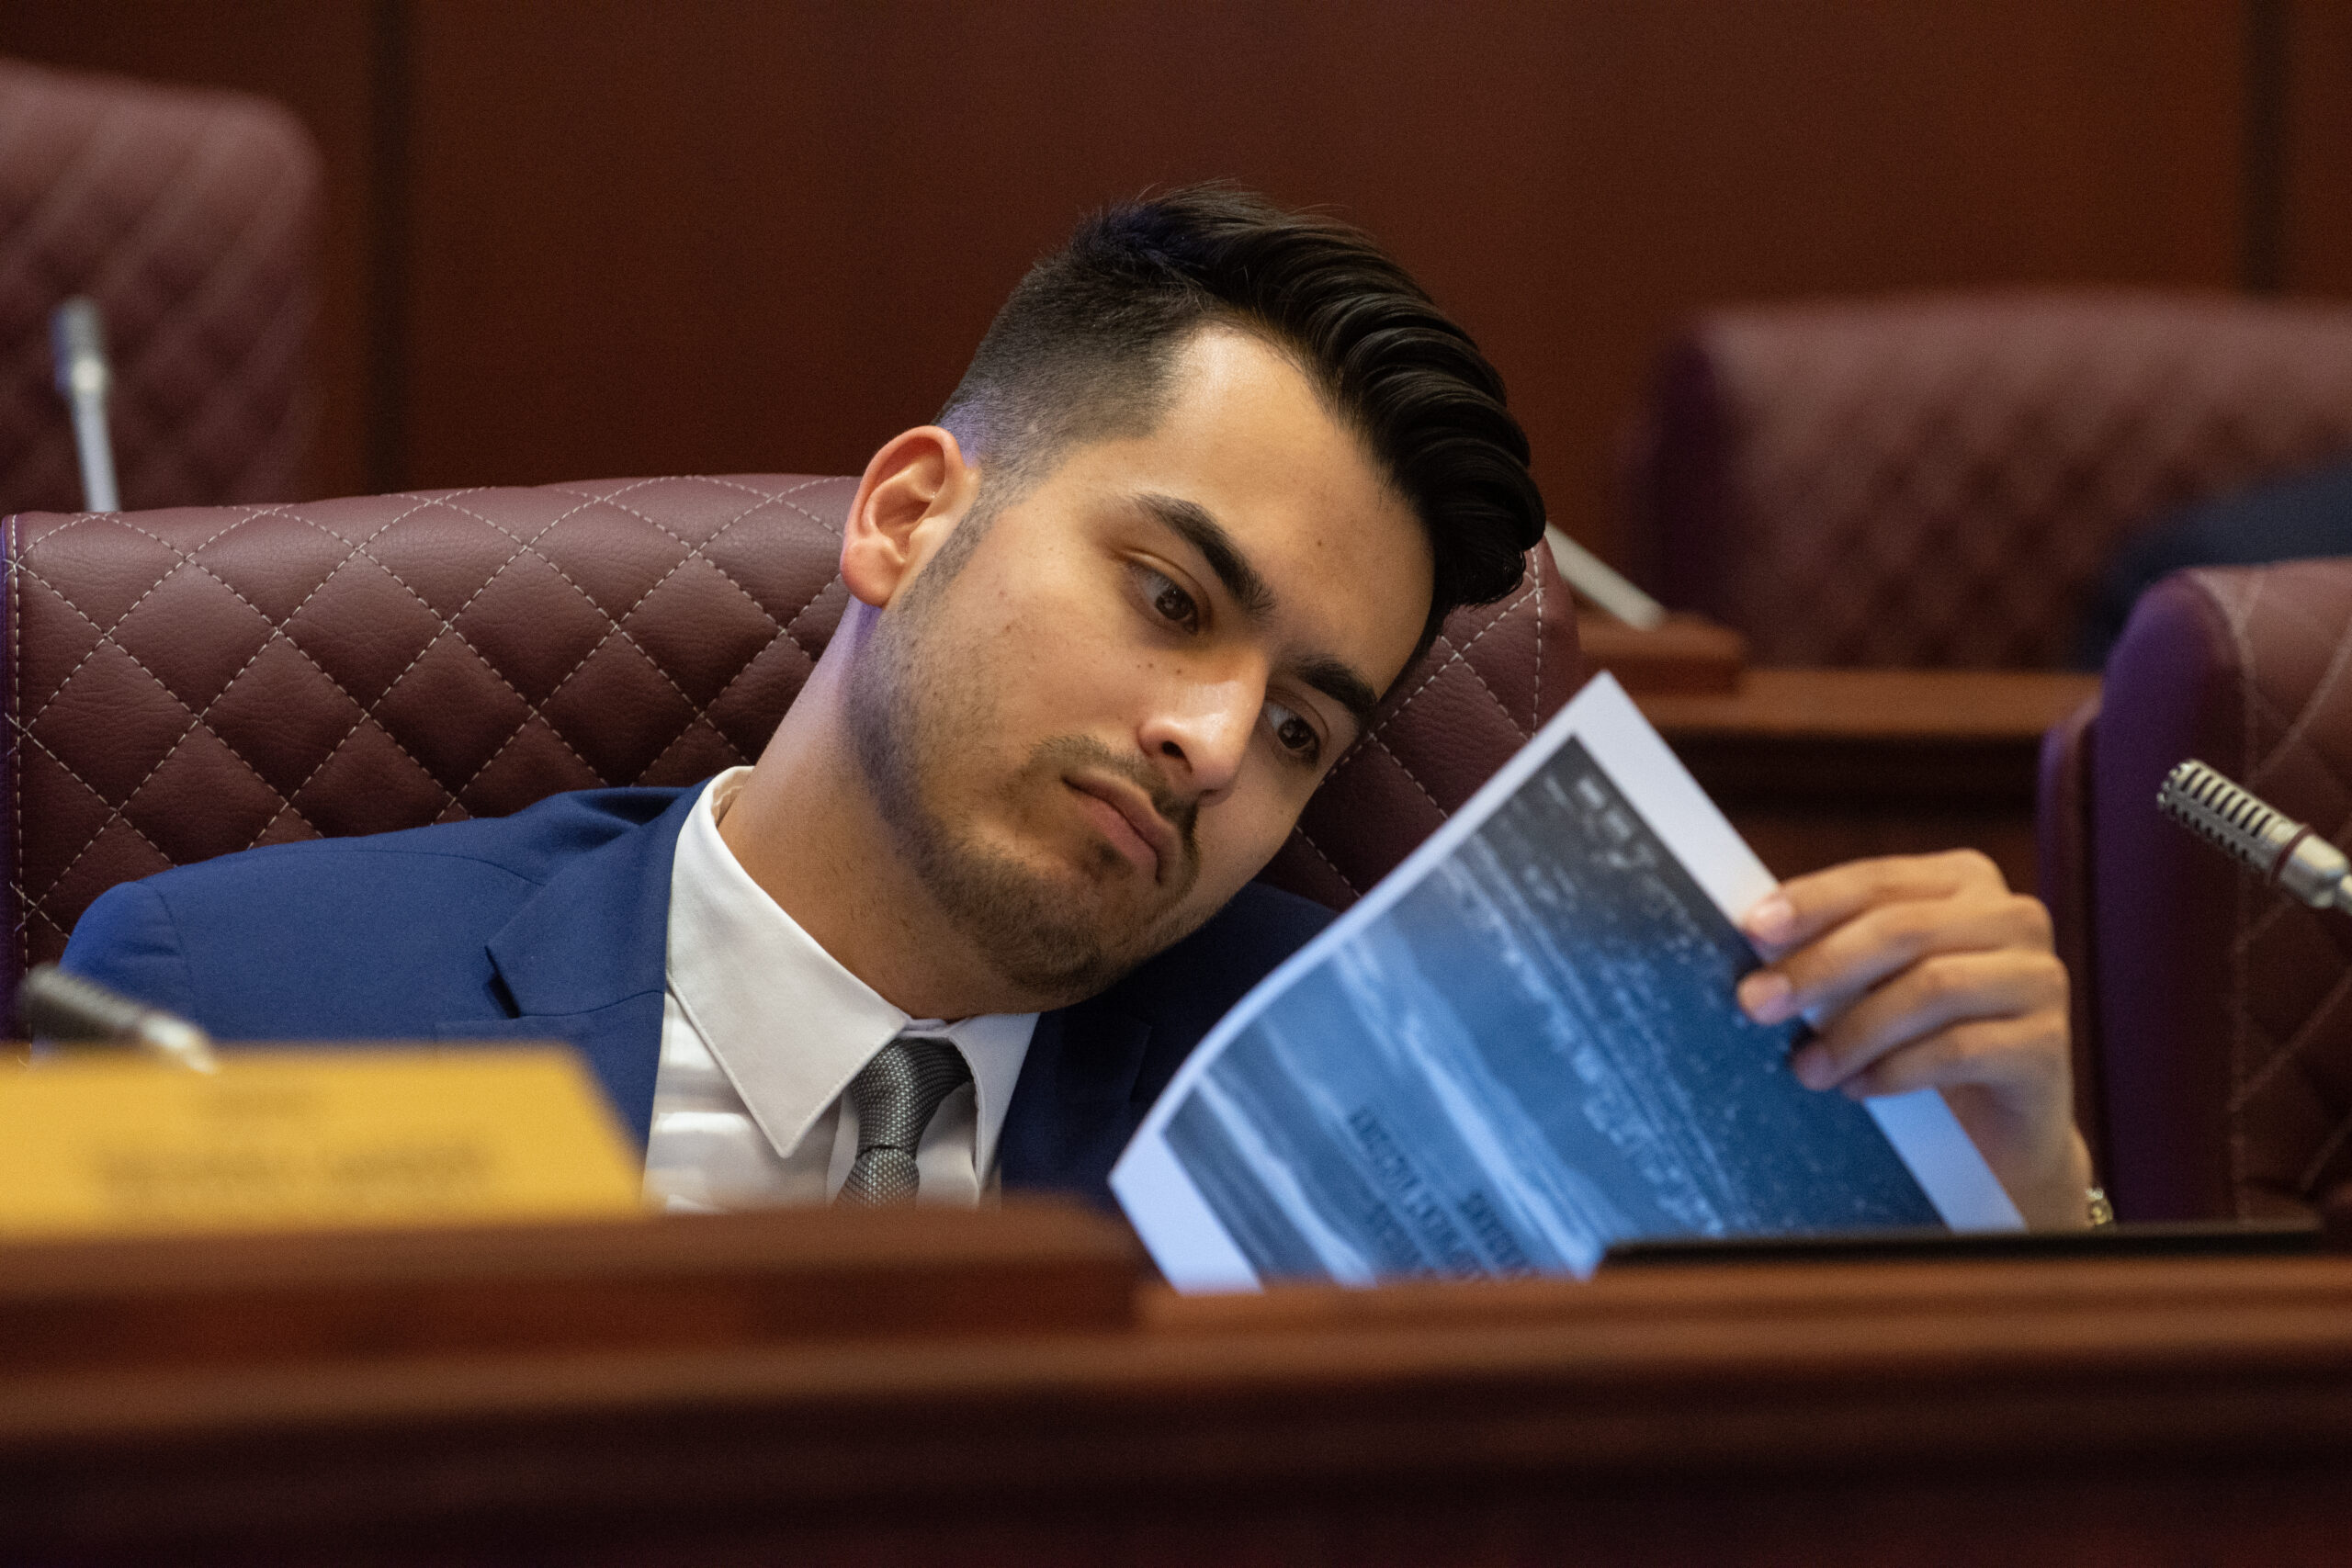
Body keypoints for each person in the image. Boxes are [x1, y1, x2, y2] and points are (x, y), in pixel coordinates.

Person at [62, 187, 2094, 1230]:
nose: (1214, 743)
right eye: (1167, 596)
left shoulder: (1387, 1114)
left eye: (1304, 724)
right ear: (907, 514)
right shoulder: (233, 1007)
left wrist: (2014, 1192)